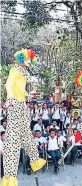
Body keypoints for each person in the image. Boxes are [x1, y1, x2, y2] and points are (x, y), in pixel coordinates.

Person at [1, 49, 46, 186]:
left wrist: (27, 94)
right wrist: (10, 100)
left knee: (27, 134)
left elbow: (19, 88)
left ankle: (35, 160)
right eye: (27, 59)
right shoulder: (15, 70)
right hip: (15, 104)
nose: (29, 61)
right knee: (13, 140)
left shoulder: (22, 71)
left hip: (21, 104)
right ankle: (10, 177)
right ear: (21, 58)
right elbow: (9, 85)